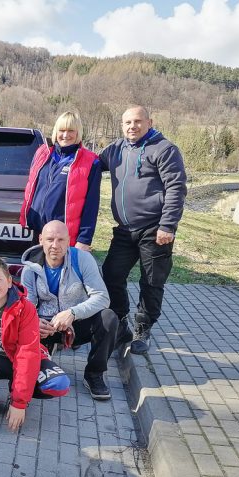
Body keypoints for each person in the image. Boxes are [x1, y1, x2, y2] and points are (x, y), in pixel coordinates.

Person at [99, 105, 187, 355]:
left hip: (155, 229)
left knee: (151, 281)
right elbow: (89, 163)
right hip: (125, 230)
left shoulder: (165, 149)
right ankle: (121, 322)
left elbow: (176, 189)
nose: (132, 127)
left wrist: (167, 225)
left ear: (150, 121)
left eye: (137, 121)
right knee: (111, 275)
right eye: (127, 122)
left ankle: (143, 329)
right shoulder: (115, 150)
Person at [0, 257, 70, 432]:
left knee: (58, 383)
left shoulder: (25, 308)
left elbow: (27, 354)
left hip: (18, 355)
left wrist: (19, 403)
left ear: (9, 282)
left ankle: (15, 392)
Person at [20, 220, 117, 400]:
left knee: (108, 318)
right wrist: (34, 321)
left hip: (77, 323)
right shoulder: (30, 269)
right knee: (24, 332)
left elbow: (103, 297)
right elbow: (27, 306)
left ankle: (94, 374)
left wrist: (73, 313)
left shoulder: (83, 260)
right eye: (49, 239)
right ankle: (44, 355)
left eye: (61, 240)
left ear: (69, 240)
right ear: (40, 240)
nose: (55, 245)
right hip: (47, 327)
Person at [20, 111, 102, 250]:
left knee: (60, 272)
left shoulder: (91, 161)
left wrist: (84, 239)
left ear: (78, 132)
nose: (65, 135)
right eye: (62, 130)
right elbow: (31, 188)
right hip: (38, 232)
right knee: (36, 270)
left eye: (71, 130)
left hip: (63, 236)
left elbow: (91, 204)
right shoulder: (42, 153)